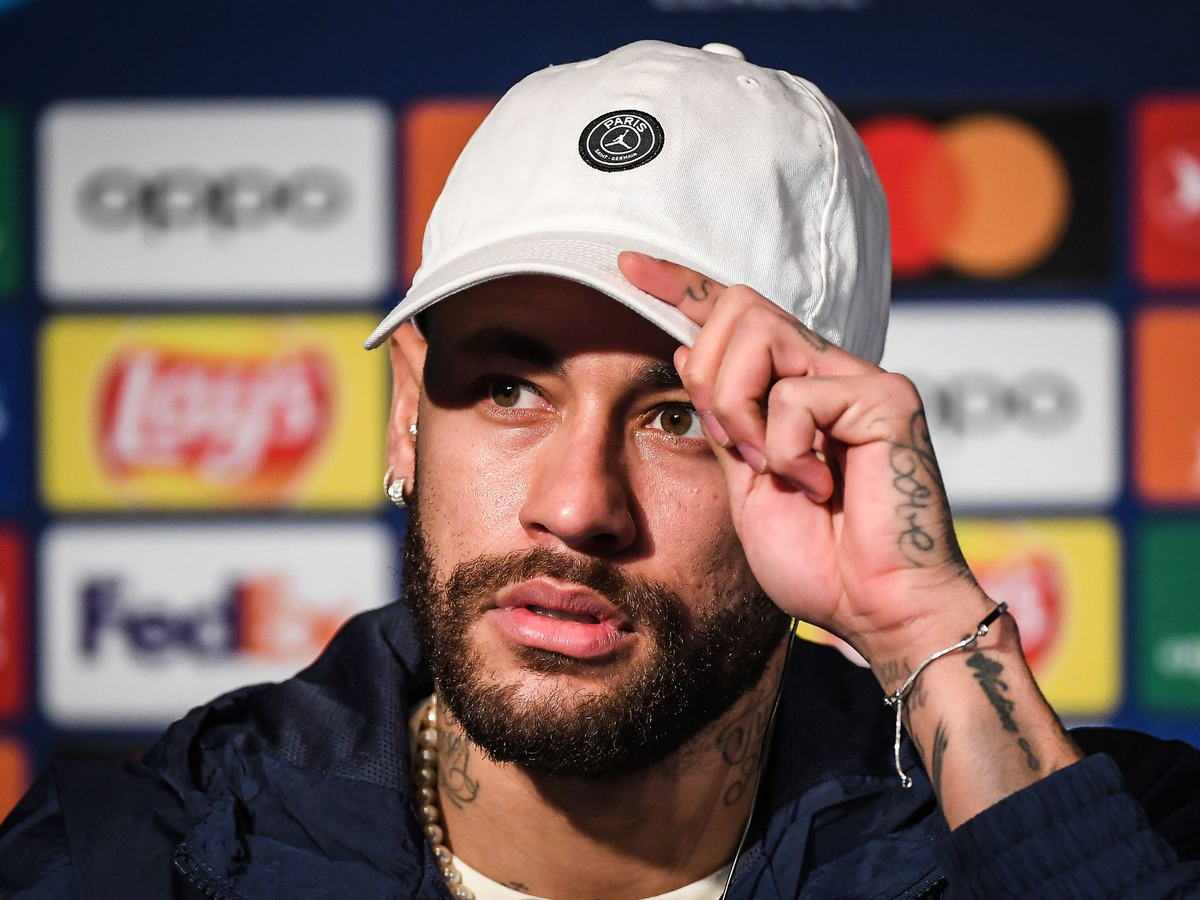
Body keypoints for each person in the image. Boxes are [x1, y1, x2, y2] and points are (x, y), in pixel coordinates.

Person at [3, 39, 1200, 900]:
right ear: (409, 414)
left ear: (829, 453)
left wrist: (925, 627)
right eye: (508, 390)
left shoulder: (1113, 835)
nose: (577, 506)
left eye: (680, 415)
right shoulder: (131, 862)